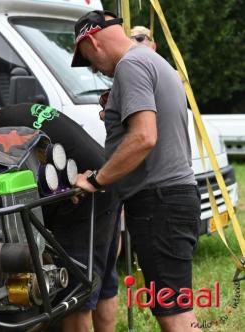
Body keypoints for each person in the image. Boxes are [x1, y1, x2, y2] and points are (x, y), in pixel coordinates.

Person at [71, 10, 200, 332]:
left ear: (91, 42)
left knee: (173, 313)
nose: (90, 67)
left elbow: (144, 137)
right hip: (172, 199)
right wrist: (114, 112)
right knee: (175, 304)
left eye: (85, 58)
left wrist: (96, 181)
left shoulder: (130, 66)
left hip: (159, 203)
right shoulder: (150, 60)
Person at [0, 100, 121, 332]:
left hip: (85, 196)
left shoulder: (1, 129)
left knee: (75, 295)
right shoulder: (20, 111)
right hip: (106, 180)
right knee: (104, 283)